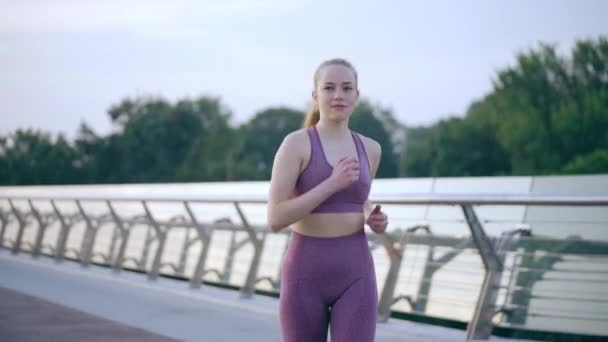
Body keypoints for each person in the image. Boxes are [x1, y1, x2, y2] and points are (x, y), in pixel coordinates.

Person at [267, 58, 389, 342]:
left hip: (356, 272)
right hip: (304, 274)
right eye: (329, 88)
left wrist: (374, 218)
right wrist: (330, 184)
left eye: (347, 88)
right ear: (315, 95)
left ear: (356, 96)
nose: (338, 95)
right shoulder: (296, 144)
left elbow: (359, 199)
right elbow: (275, 219)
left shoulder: (371, 149)